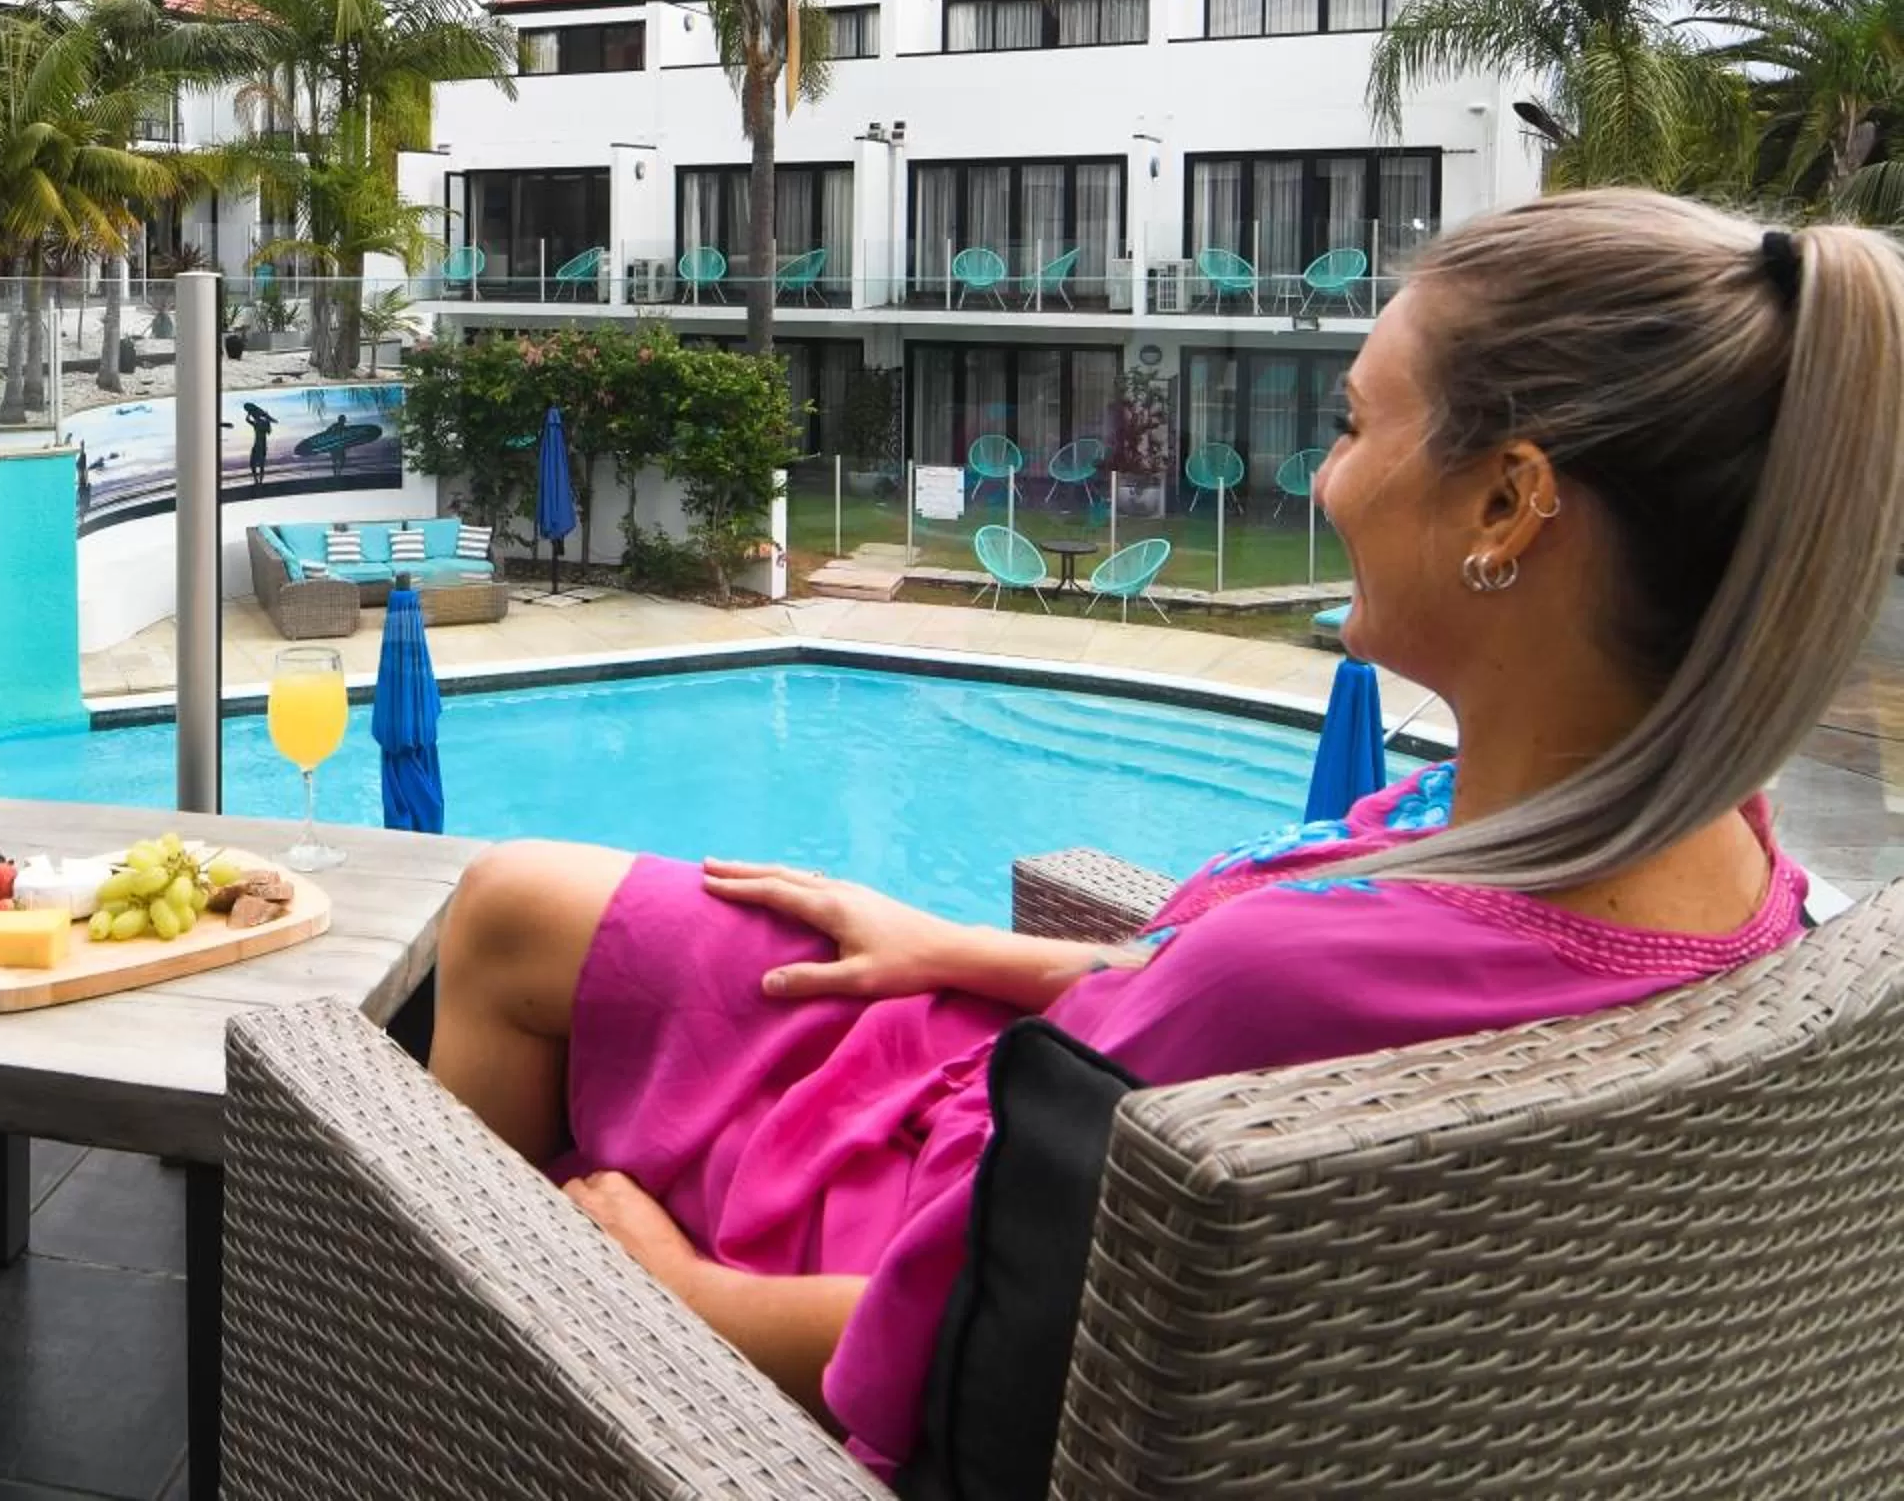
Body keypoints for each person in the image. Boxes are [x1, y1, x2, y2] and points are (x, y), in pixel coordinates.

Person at [428, 190, 1904, 1477]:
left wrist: (663, 1283)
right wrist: (961, 945)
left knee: (502, 914)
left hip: (912, 1200)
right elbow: (1240, 1033)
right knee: (549, 909)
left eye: (1352, 426)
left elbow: (936, 1330)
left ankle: (465, 1390)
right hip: (1033, 1076)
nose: (1323, 479)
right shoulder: (1725, 867)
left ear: (1511, 503)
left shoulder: (1285, 976)